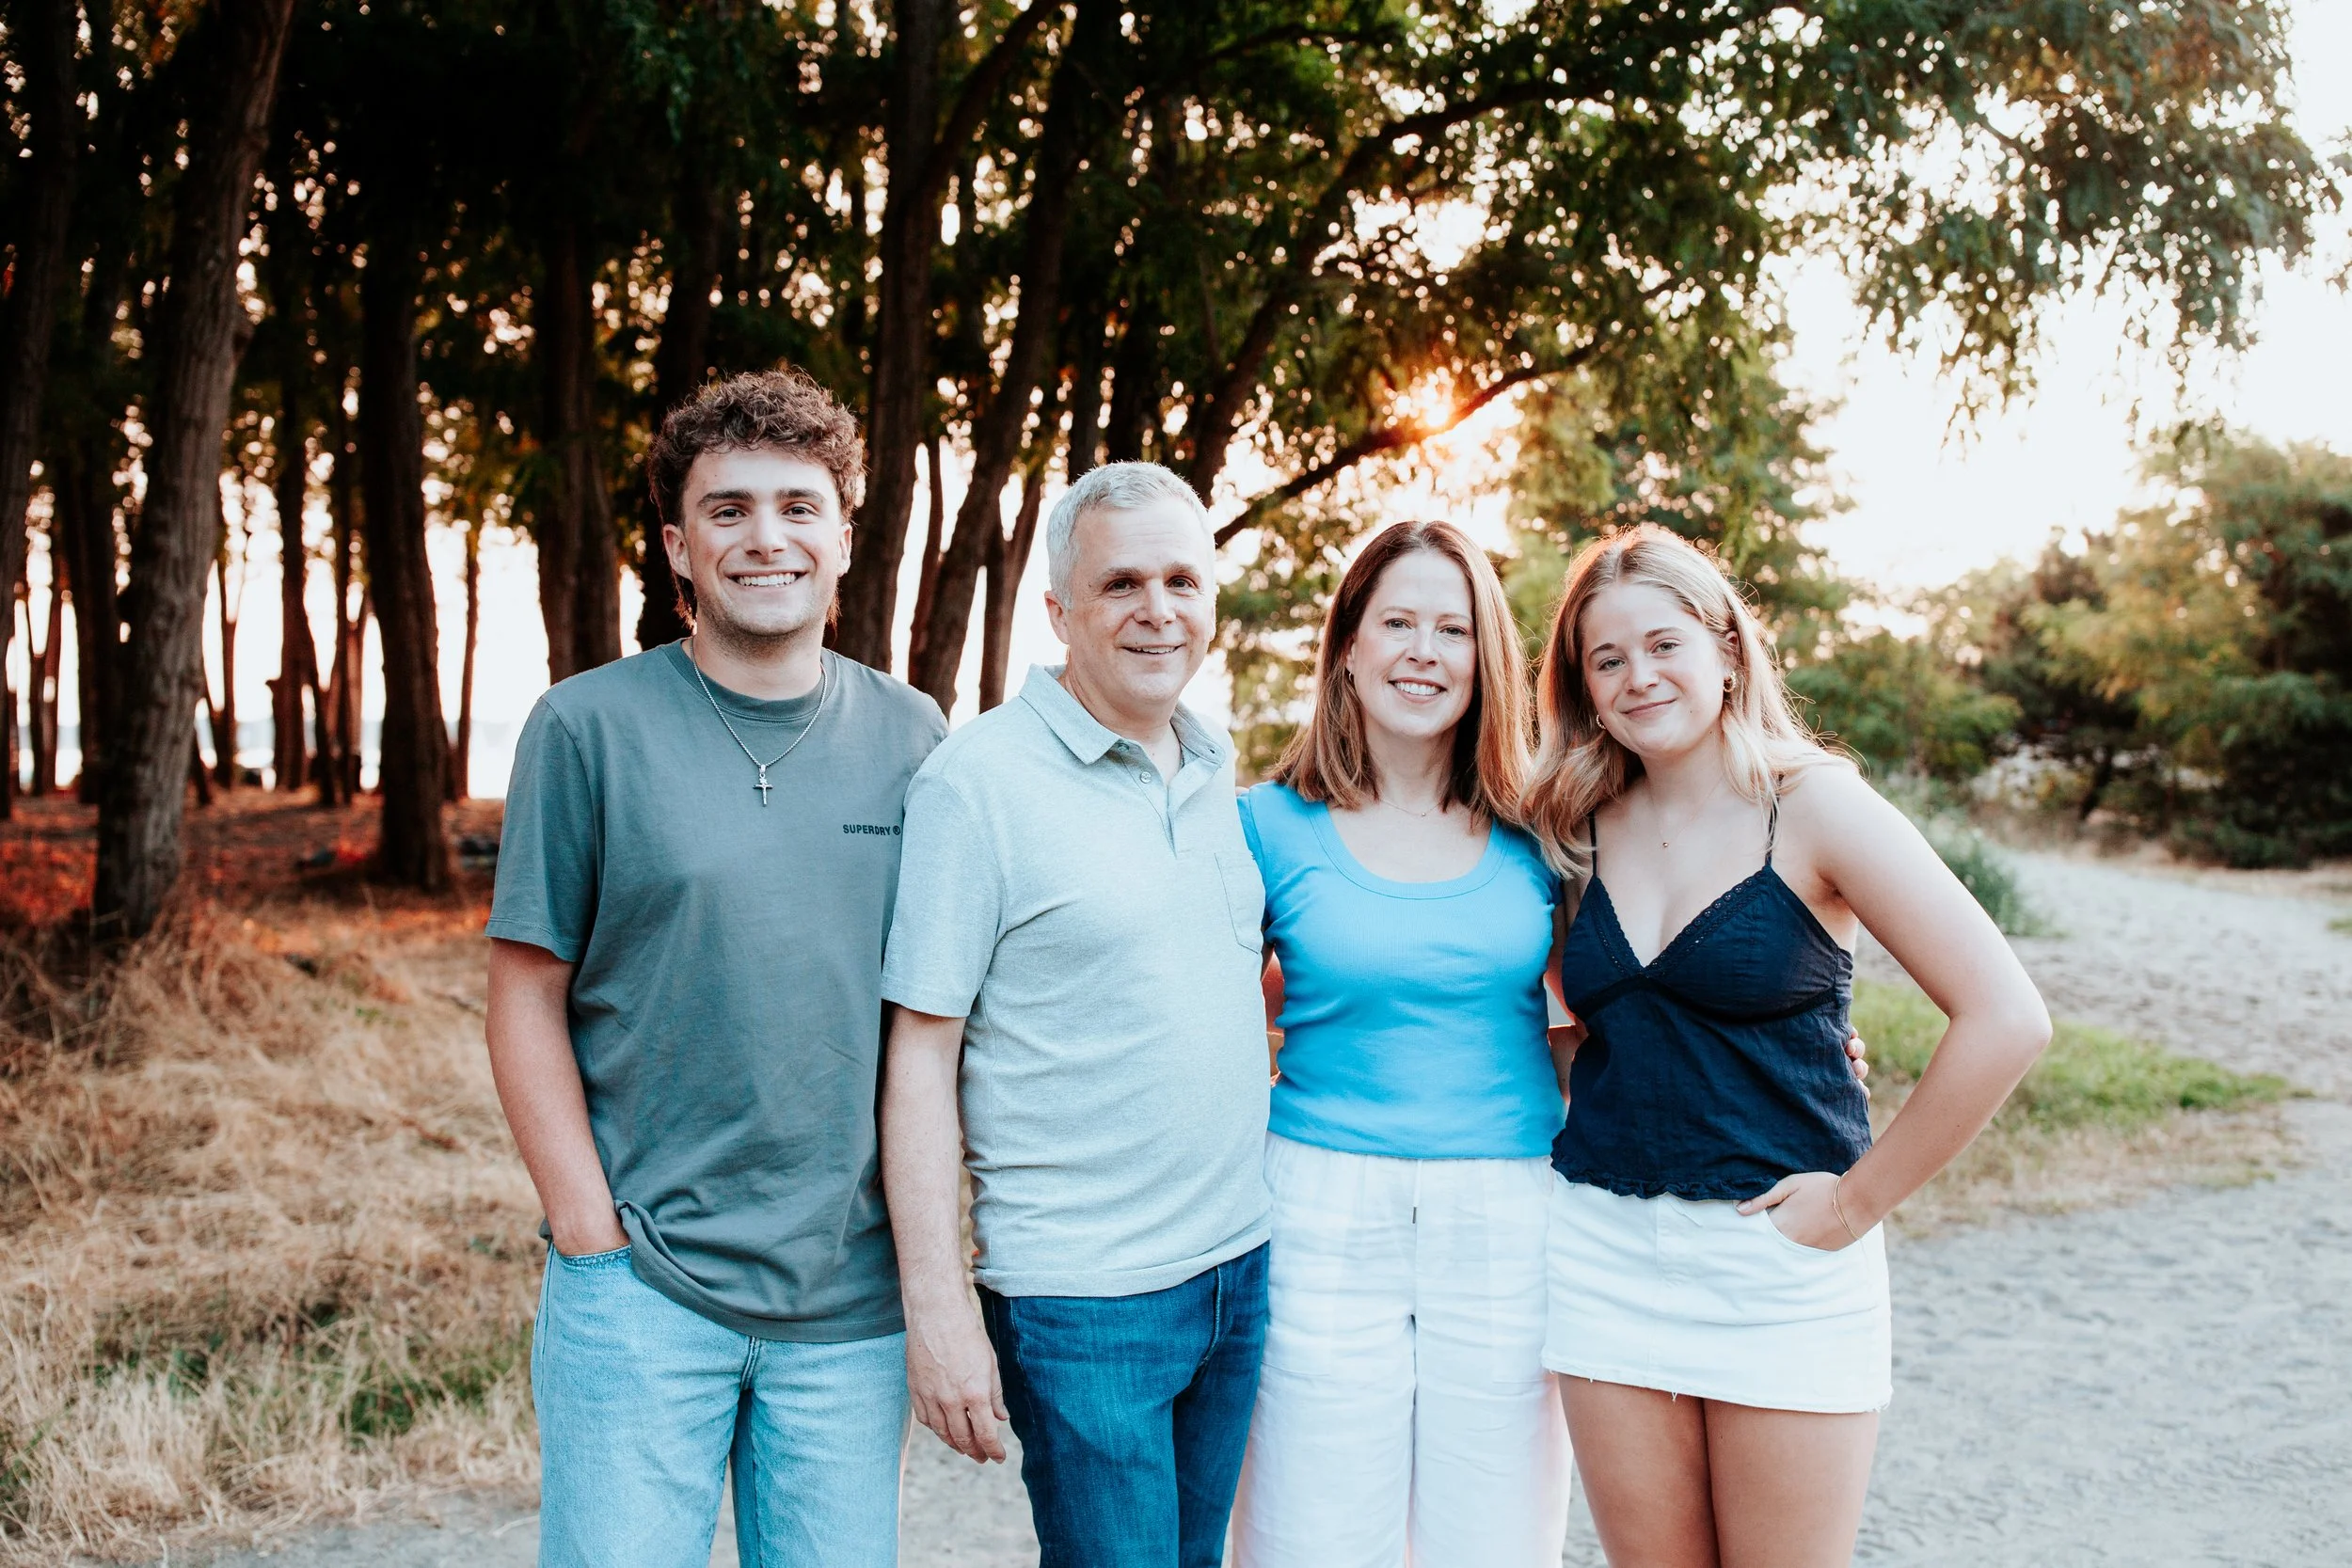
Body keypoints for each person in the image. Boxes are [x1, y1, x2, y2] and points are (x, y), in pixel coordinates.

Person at [484, 370, 946, 1568]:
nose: (765, 536)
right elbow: (525, 988)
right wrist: (589, 1234)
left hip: (849, 1305)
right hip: (641, 1291)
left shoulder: (917, 737)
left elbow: (933, 1020)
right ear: (679, 547)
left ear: (844, 536)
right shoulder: (586, 728)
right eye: (728, 508)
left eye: (798, 505)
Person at [1523, 523, 2051, 1568]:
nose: (1638, 676)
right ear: (1582, 685)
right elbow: (1580, 1031)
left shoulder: (1813, 805)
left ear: (1726, 647)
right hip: (1603, 1251)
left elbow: (2006, 1016)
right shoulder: (1573, 827)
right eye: (1606, 658)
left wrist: (1853, 1204)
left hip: (1776, 1260)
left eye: (1663, 643)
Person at [878, 461, 1271, 1568]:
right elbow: (918, 1054)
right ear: (1058, 608)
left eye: (1183, 581)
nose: (1159, 611)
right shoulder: (976, 784)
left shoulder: (1208, 763)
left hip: (1238, 1266)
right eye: (1122, 584)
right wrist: (939, 1309)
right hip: (1084, 1297)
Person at [1227, 521, 1575, 1568]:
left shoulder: (1546, 828)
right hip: (1316, 1209)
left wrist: (1795, 1048)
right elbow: (1191, 1013)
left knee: (1497, 1540)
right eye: (1398, 622)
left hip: (1510, 1211)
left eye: (1453, 628)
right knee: (1306, 1538)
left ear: (1486, 659)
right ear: (1347, 643)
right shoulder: (1260, 824)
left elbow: (1615, 1009)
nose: (1424, 650)